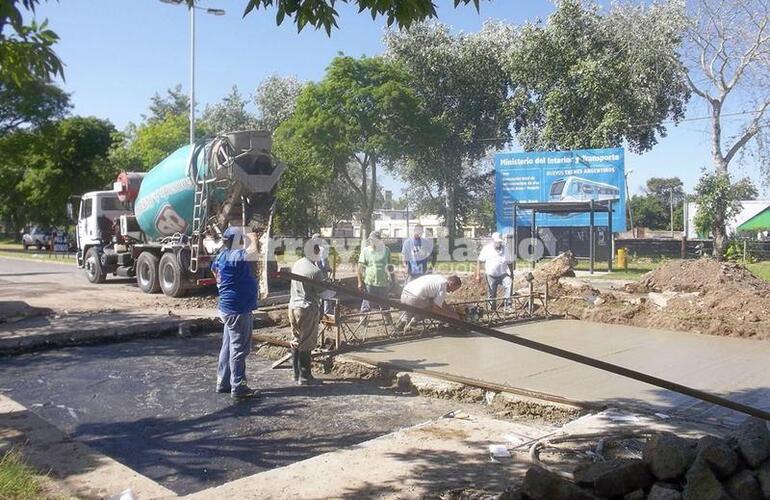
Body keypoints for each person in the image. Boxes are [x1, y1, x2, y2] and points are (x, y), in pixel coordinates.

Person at [211, 226, 259, 400]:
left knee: (227, 347)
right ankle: (238, 387)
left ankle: (223, 382)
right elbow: (253, 253)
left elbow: (214, 270)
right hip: (238, 309)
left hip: (227, 308)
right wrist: (252, 236)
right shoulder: (236, 256)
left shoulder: (221, 256)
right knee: (239, 349)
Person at [288, 256, 325, 385]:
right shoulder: (315, 271)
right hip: (307, 308)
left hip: (293, 305)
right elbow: (322, 292)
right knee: (307, 341)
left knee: (296, 339)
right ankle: (305, 376)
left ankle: (296, 373)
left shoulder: (297, 263)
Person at [395, 274, 462, 332]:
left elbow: (440, 302)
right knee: (431, 310)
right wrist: (451, 316)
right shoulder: (443, 286)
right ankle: (414, 321)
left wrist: (450, 311)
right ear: (451, 284)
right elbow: (435, 308)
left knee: (413, 307)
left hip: (404, 294)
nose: (452, 292)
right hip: (415, 298)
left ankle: (402, 323)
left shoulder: (439, 278)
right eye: (454, 289)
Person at [357, 231, 392, 324]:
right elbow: (360, 267)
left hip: (383, 282)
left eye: (374, 240)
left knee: (385, 303)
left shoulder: (386, 250)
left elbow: (390, 266)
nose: (372, 242)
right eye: (371, 240)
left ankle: (387, 320)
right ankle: (363, 320)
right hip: (370, 282)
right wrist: (360, 282)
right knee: (367, 303)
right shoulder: (366, 251)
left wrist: (393, 279)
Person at [476, 232, 513, 311]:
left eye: (499, 242)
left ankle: (508, 306)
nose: (498, 243)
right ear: (493, 241)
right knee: (492, 293)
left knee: (509, 283)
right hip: (491, 275)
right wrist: (478, 275)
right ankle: (492, 309)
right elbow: (479, 261)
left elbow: (509, 262)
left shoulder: (505, 248)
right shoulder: (487, 249)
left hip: (503, 273)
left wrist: (511, 274)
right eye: (497, 242)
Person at [310, 233, 334, 316]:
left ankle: (317, 313)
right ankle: (328, 312)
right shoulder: (322, 250)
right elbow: (324, 265)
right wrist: (329, 269)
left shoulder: (310, 250)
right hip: (322, 275)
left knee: (316, 294)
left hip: (312, 275)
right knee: (327, 293)